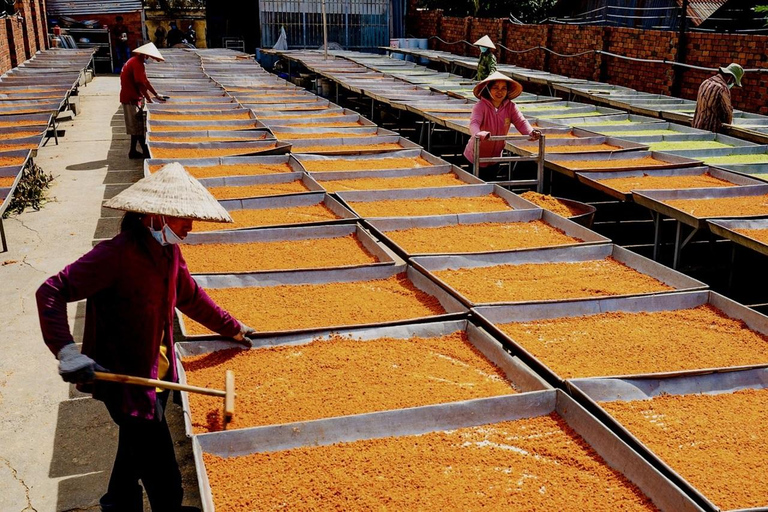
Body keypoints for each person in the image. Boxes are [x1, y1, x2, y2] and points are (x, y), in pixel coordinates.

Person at [36, 162, 255, 512]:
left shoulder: (169, 252)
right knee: (162, 469)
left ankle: (118, 502)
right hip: (126, 380)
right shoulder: (116, 254)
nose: (190, 226)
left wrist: (233, 327)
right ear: (153, 215)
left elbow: (191, 296)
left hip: (158, 372)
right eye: (182, 217)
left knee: (134, 448)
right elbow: (50, 290)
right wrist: (66, 350)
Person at [464, 71, 541, 182]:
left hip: (495, 158)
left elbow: (521, 122)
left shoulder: (510, 107)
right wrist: (479, 134)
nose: (500, 92)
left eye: (503, 88)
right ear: (488, 89)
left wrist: (531, 132)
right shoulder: (480, 106)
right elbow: (474, 123)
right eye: (495, 88)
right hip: (475, 156)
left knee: (491, 188)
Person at [119, 42, 167, 159]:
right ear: (145, 55)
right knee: (138, 128)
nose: (149, 58)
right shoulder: (137, 64)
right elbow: (140, 83)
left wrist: (156, 94)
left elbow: (145, 81)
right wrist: (150, 99)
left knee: (136, 127)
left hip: (132, 96)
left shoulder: (136, 62)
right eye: (148, 56)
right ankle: (146, 152)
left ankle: (133, 151)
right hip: (131, 98)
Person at [692, 62, 743, 133]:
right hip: (710, 131)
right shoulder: (722, 89)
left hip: (696, 127)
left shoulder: (705, 82)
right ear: (731, 78)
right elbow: (727, 113)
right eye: (734, 82)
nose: (732, 85)